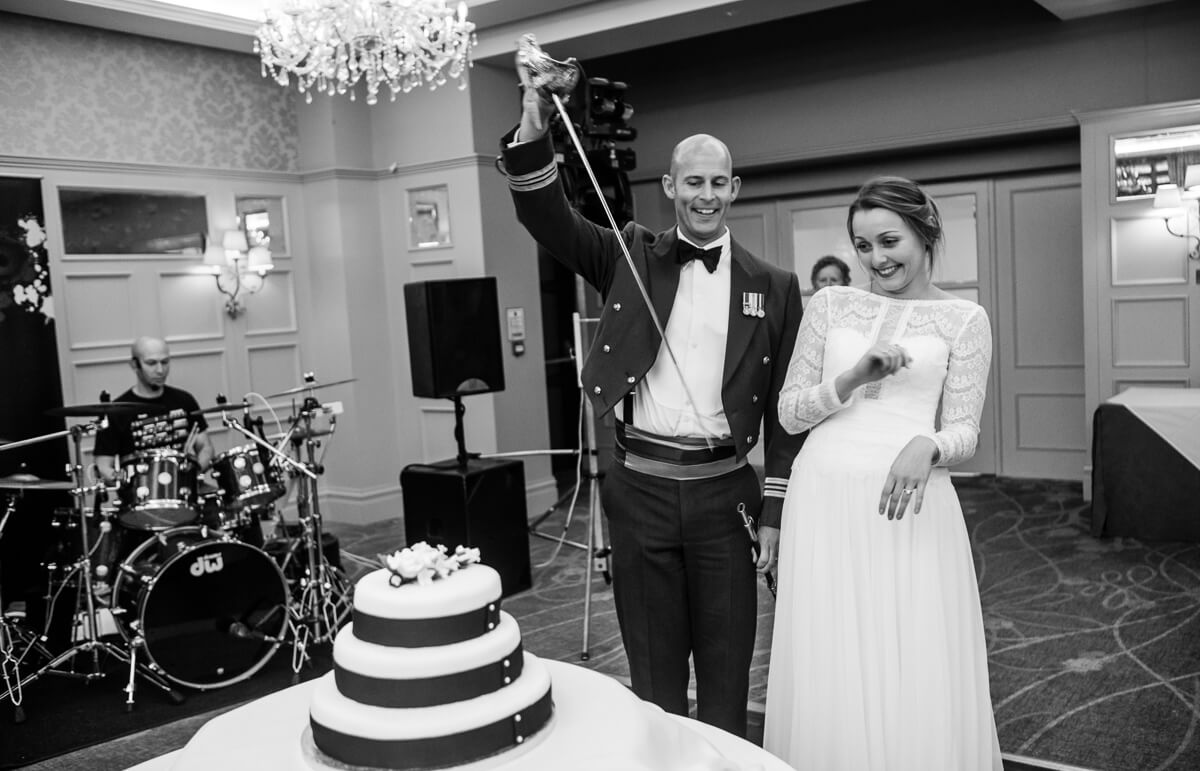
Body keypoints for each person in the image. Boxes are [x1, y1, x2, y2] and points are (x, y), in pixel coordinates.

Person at [500, 80, 806, 738]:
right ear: (669, 186)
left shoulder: (774, 287)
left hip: (726, 496)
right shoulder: (627, 254)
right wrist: (533, 124)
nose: (706, 195)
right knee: (655, 681)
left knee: (727, 675)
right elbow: (547, 218)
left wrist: (775, 513)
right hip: (638, 493)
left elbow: (785, 415)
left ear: (736, 188)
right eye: (692, 182)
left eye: (718, 183)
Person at [763, 176, 1002, 769]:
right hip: (822, 499)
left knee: (911, 648)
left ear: (926, 235)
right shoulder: (829, 305)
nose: (876, 259)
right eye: (862, 245)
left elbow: (965, 431)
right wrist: (852, 379)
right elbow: (790, 414)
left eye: (889, 241)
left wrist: (930, 445)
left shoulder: (965, 319)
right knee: (833, 651)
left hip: (908, 507)